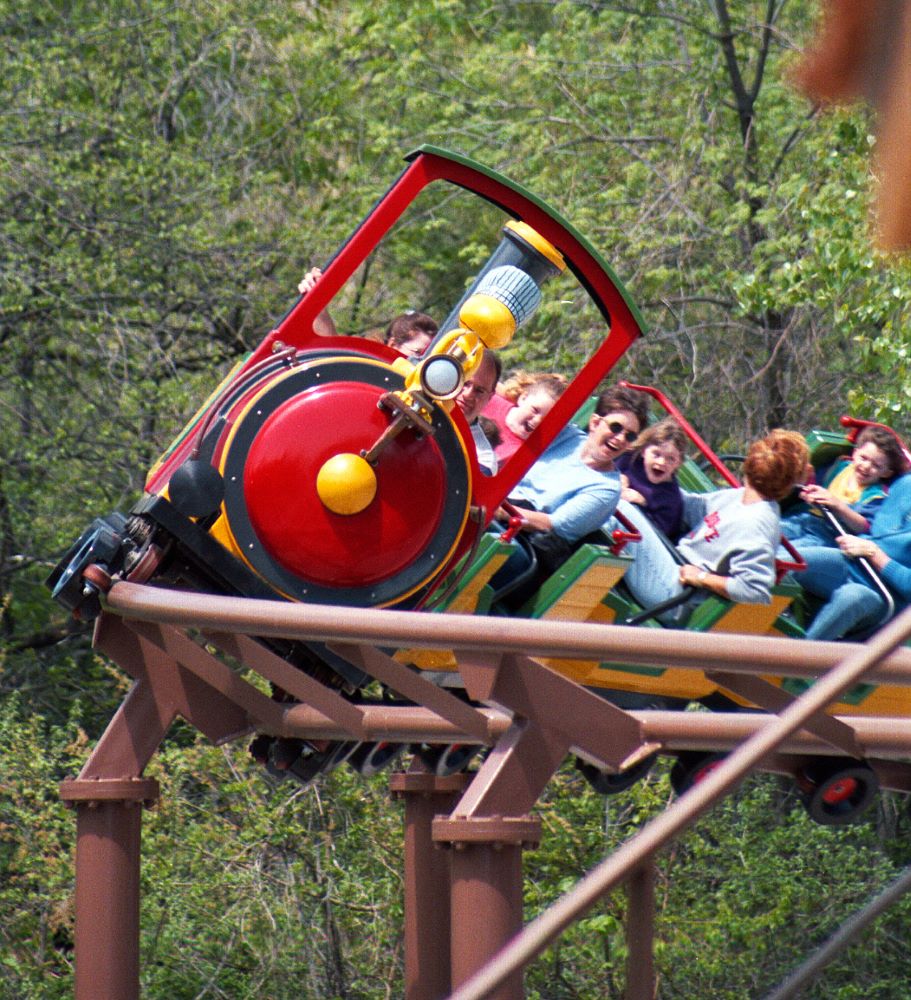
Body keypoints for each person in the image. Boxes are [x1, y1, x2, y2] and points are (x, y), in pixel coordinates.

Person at [616, 429, 809, 623]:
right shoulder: (740, 496)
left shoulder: (758, 522)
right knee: (614, 489)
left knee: (620, 505)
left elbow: (754, 589)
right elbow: (688, 505)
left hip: (678, 594)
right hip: (672, 560)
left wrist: (701, 577)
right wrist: (634, 481)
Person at [490, 384, 649, 592]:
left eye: (630, 437)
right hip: (499, 502)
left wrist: (499, 510)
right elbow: (529, 405)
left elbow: (553, 525)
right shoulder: (567, 436)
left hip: (523, 541)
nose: (619, 439)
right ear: (595, 422)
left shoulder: (606, 489)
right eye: (616, 427)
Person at [795, 471, 911, 640]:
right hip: (853, 562)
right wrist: (836, 505)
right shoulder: (905, 485)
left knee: (852, 598)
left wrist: (874, 553)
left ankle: (799, 659)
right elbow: (871, 527)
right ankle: (748, 624)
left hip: (884, 593)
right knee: (790, 562)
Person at [781, 426, 907, 548]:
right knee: (772, 530)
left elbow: (865, 526)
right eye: (863, 458)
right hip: (804, 518)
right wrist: (807, 489)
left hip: (827, 534)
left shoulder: (875, 495)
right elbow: (813, 480)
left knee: (788, 552)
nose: (867, 466)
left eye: (876, 466)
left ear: (886, 473)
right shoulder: (839, 466)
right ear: (855, 453)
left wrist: (838, 506)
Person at [297, 268, 436, 358]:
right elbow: (331, 357)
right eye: (419, 354)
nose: (423, 365)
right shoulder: (367, 367)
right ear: (393, 345)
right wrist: (315, 298)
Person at [615, 417, 688, 542]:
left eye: (671, 459)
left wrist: (640, 503)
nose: (661, 462)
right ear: (644, 451)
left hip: (627, 537)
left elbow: (657, 538)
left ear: (678, 463)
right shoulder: (628, 460)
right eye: (656, 454)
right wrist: (616, 479)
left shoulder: (671, 500)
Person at [482, 371, 567, 463]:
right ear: (523, 398)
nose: (537, 420)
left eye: (547, 420)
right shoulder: (488, 399)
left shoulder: (523, 455)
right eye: (535, 410)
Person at [453, 349, 502, 475]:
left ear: (490, 397)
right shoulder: (412, 401)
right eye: (464, 383)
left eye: (479, 390)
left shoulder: (482, 461)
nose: (468, 394)